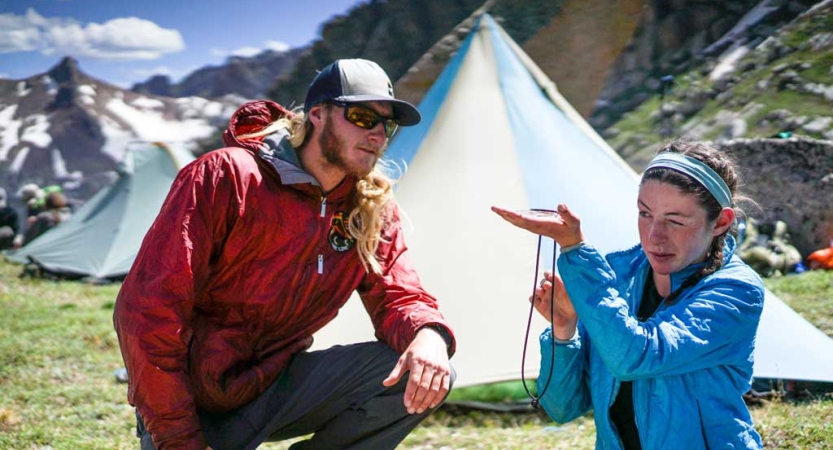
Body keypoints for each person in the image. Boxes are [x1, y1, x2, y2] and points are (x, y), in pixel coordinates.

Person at [113, 58, 455, 450]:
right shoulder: (227, 177)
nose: (377, 133)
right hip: (188, 400)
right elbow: (146, 311)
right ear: (317, 114)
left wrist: (429, 335)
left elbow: (399, 293)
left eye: (386, 125)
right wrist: (179, 438)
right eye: (362, 116)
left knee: (423, 372)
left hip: (272, 387)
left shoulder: (368, 206)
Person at [492, 141, 764, 449]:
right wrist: (563, 334)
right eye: (645, 214)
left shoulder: (736, 291)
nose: (654, 236)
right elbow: (562, 408)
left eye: (675, 221)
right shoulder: (620, 276)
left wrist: (575, 248)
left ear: (722, 222)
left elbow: (636, 356)